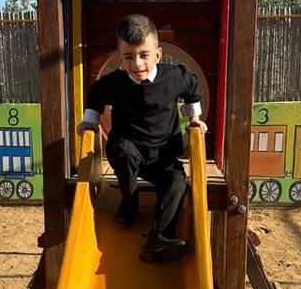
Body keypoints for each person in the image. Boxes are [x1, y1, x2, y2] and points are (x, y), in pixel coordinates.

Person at [77, 13, 207, 262]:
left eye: (144, 55)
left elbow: (192, 87)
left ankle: (158, 238)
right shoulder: (114, 83)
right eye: (128, 57)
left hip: (161, 155)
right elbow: (96, 94)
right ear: (120, 59)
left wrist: (194, 118)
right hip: (129, 149)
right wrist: (90, 122)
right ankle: (130, 201)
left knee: (177, 182)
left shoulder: (174, 77)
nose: (137, 63)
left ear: (158, 54)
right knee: (123, 151)